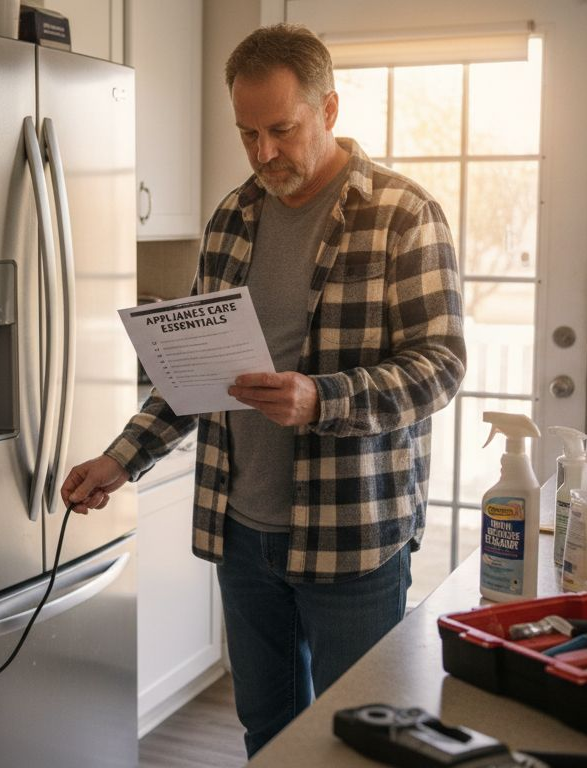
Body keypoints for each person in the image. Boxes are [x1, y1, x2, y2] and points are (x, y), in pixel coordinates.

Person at [60, 23, 466, 757]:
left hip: (352, 538)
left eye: (282, 129)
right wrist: (120, 460)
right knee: (269, 734)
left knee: (361, 747)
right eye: (248, 133)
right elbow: (192, 372)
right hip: (241, 535)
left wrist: (322, 399)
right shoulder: (232, 218)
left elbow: (440, 365)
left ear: (329, 109)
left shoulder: (403, 215)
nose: (263, 153)